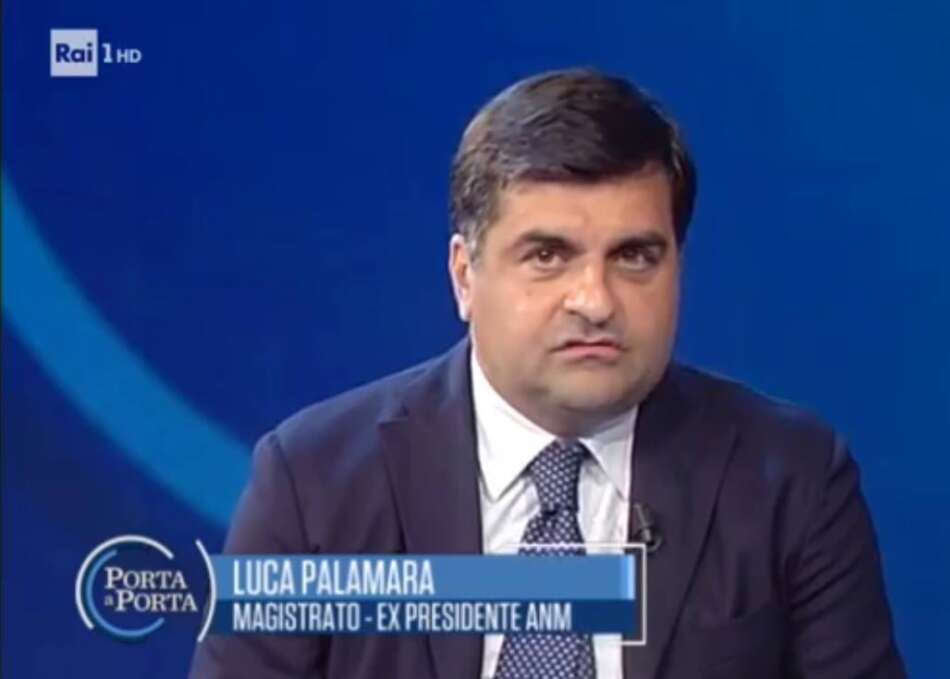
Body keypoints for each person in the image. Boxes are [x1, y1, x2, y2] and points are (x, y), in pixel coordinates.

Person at [190, 67, 905, 679]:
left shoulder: (792, 477)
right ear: (465, 276)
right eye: (547, 256)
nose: (595, 300)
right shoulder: (313, 480)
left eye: (634, 257)